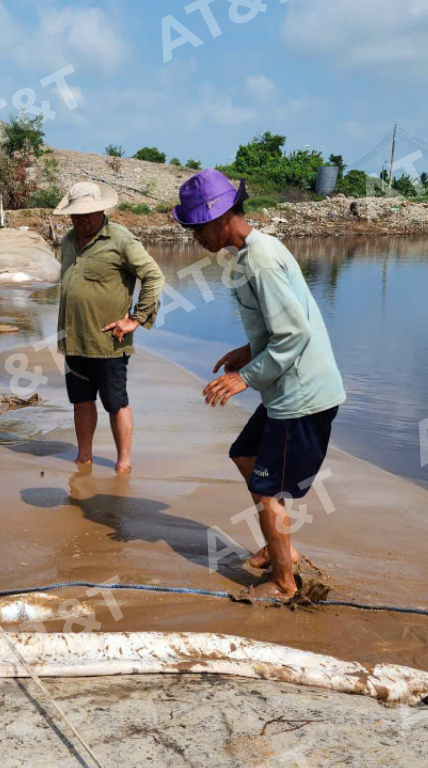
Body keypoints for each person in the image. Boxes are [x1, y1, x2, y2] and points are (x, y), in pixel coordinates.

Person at [173, 170, 346, 599]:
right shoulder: (249, 255)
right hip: (286, 388)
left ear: (221, 216)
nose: (196, 236)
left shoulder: (262, 258)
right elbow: (278, 328)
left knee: (267, 487)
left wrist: (243, 378)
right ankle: (277, 549)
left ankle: (284, 582)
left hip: (302, 395)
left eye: (197, 226)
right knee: (245, 454)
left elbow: (294, 335)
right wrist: (246, 352)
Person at [52, 181, 165, 475]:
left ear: (101, 210)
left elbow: (153, 276)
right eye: (76, 215)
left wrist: (137, 319)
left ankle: (123, 463)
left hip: (109, 342)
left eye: (87, 213)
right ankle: (84, 457)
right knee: (81, 401)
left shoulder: (121, 239)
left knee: (116, 403)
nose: (81, 219)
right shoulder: (66, 241)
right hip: (74, 339)